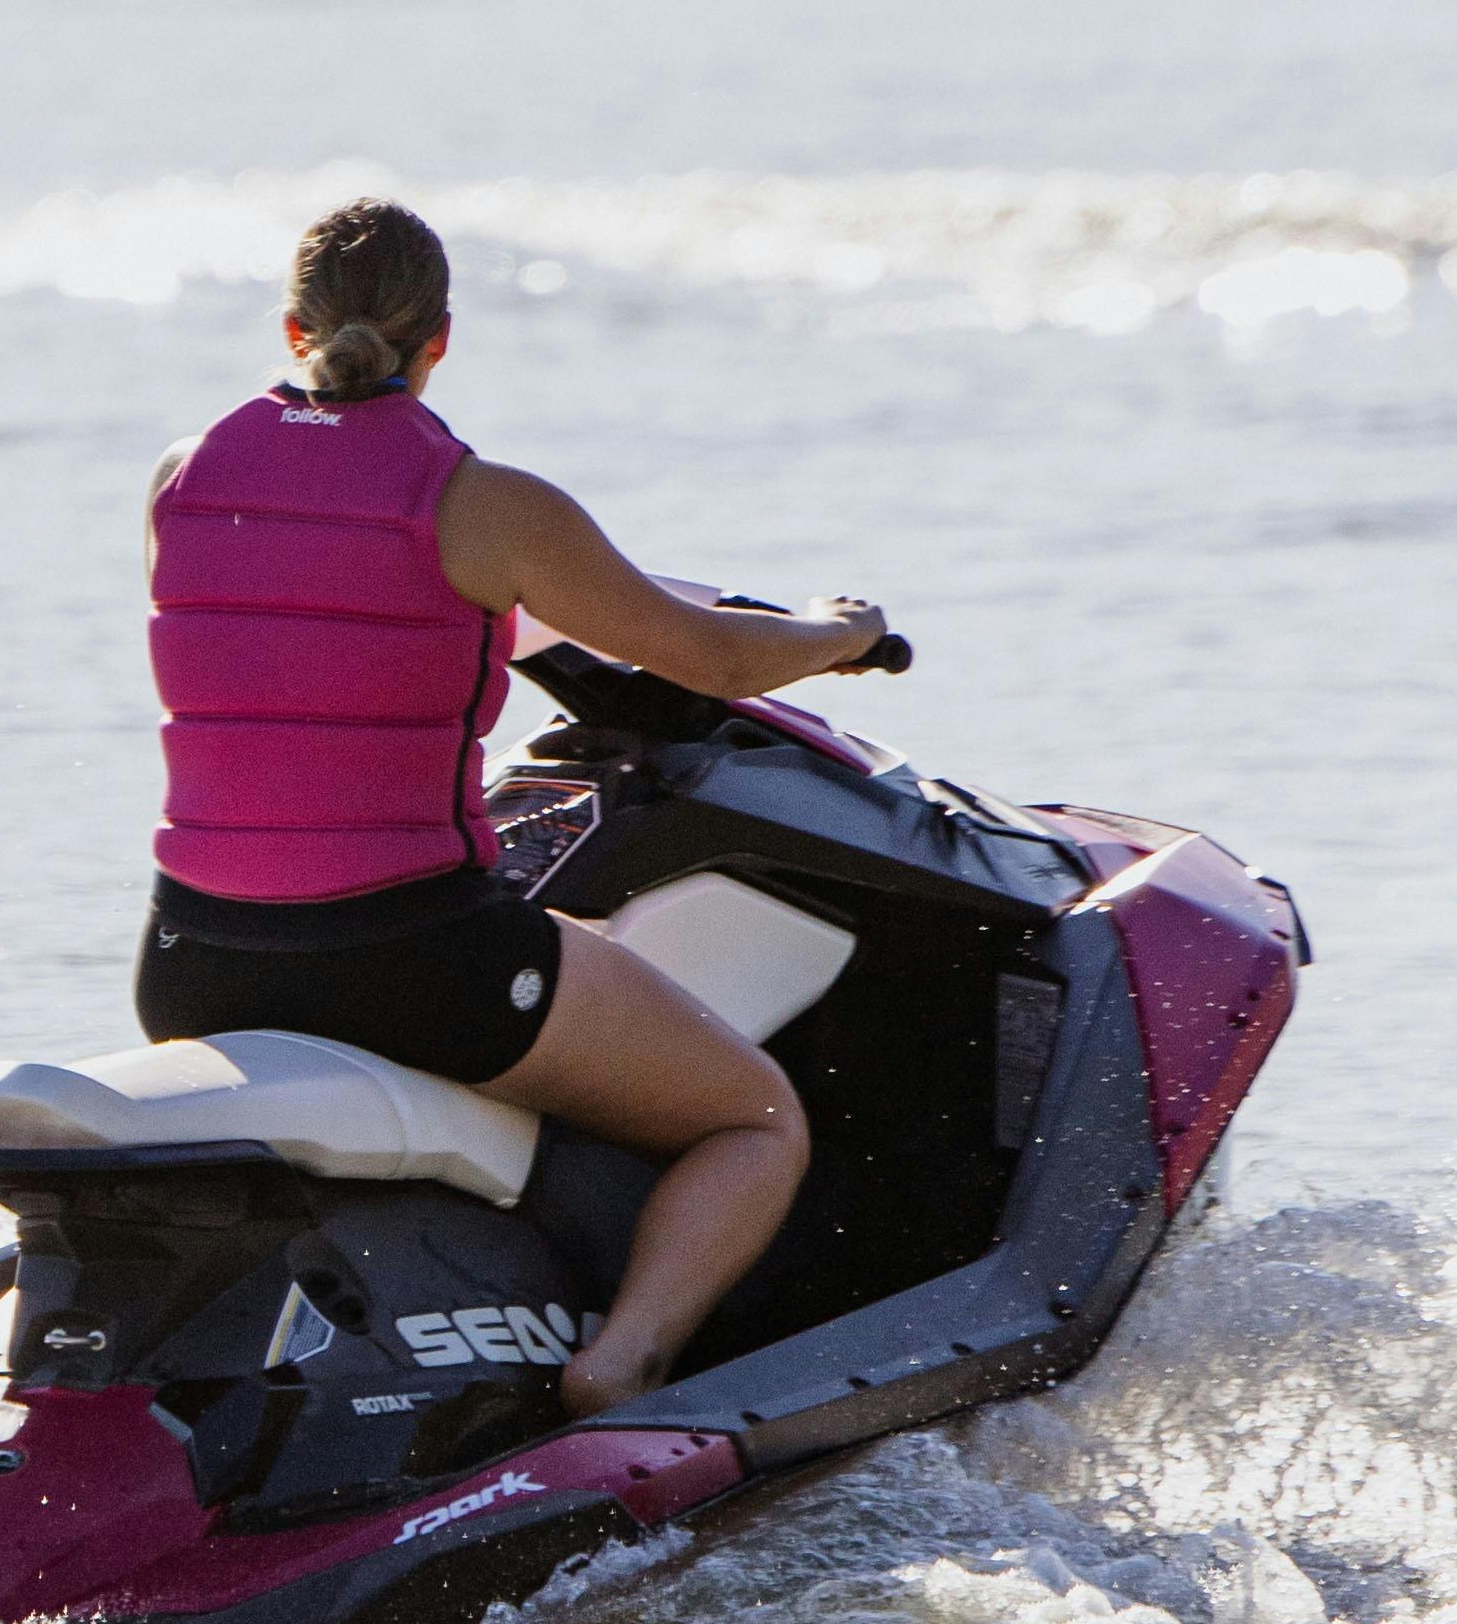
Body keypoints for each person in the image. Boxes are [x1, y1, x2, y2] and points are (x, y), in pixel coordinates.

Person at [143, 190, 897, 1418]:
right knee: (754, 1117)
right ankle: (624, 1362)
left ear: (293, 331)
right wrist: (840, 630)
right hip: (407, 958)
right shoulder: (487, 506)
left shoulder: (181, 478)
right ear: (442, 340)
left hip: (193, 962)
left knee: (589, 960)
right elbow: (710, 657)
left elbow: (282, 637)